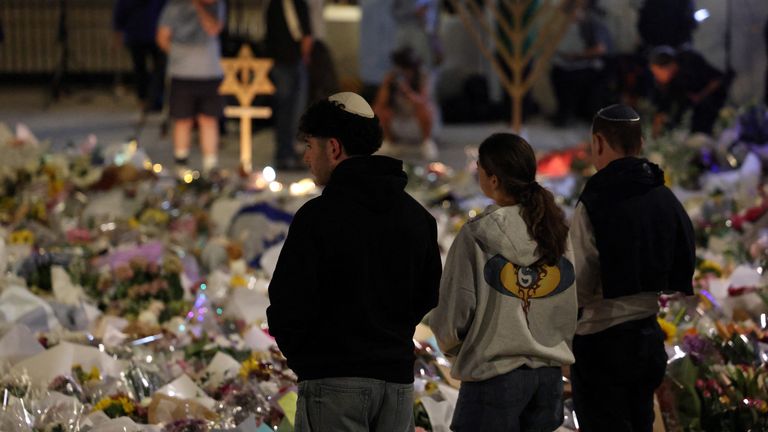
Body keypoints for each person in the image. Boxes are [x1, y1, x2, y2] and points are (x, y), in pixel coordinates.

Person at [267, 92, 442, 432]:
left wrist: (309, 362)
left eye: (309, 145)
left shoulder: (317, 218)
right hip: (397, 385)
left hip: (333, 383)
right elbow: (427, 294)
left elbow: (288, 302)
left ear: (333, 148)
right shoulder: (416, 217)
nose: (305, 157)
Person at [430, 133, 577, 432]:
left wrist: (458, 351)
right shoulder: (555, 231)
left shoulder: (476, 236)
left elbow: (455, 312)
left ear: (493, 179)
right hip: (547, 379)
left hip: (492, 379)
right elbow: (569, 302)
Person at [569, 104, 696, 432]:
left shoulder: (595, 200)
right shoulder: (664, 195)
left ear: (598, 143)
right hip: (647, 338)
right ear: (640, 144)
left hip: (601, 344)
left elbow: (579, 282)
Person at [156, 0, 225, 175]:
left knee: (209, 119)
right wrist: (180, 55)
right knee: (182, 120)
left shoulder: (217, 6)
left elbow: (213, 28)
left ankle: (211, 166)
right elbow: (162, 37)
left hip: (210, 72)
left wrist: (199, 6)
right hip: (182, 73)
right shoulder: (174, 7)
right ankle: (181, 163)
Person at [265, 0, 313, 170]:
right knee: (290, 110)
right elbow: (304, 34)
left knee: (289, 110)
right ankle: (286, 154)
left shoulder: (279, 4)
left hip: (284, 61)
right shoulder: (287, 4)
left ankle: (287, 153)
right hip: (289, 61)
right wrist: (305, 56)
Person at [550, 2, 614, 126]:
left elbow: (600, 49)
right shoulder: (575, 23)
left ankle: (568, 113)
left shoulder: (592, 21)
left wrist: (575, 56)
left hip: (597, 66)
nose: (570, 16)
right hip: (578, 63)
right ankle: (564, 113)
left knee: (569, 76)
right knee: (557, 71)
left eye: (573, 11)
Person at [373, 46, 438, 159]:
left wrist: (407, 92)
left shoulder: (422, 76)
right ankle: (389, 142)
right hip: (399, 118)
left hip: (418, 120)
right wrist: (386, 84)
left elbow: (423, 102)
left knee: (425, 109)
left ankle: (426, 143)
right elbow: (380, 103)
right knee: (379, 109)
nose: (404, 73)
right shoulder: (393, 77)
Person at [649, 46, 727, 136]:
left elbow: (716, 79)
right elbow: (663, 105)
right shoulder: (666, 83)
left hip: (713, 97)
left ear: (668, 66)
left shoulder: (690, 62)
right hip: (689, 103)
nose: (656, 76)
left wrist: (700, 95)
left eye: (657, 72)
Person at [113, 0, 167, 113]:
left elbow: (120, 12)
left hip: (139, 34)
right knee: (156, 70)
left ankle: (145, 99)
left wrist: (118, 32)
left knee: (141, 69)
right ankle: (154, 99)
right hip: (152, 33)